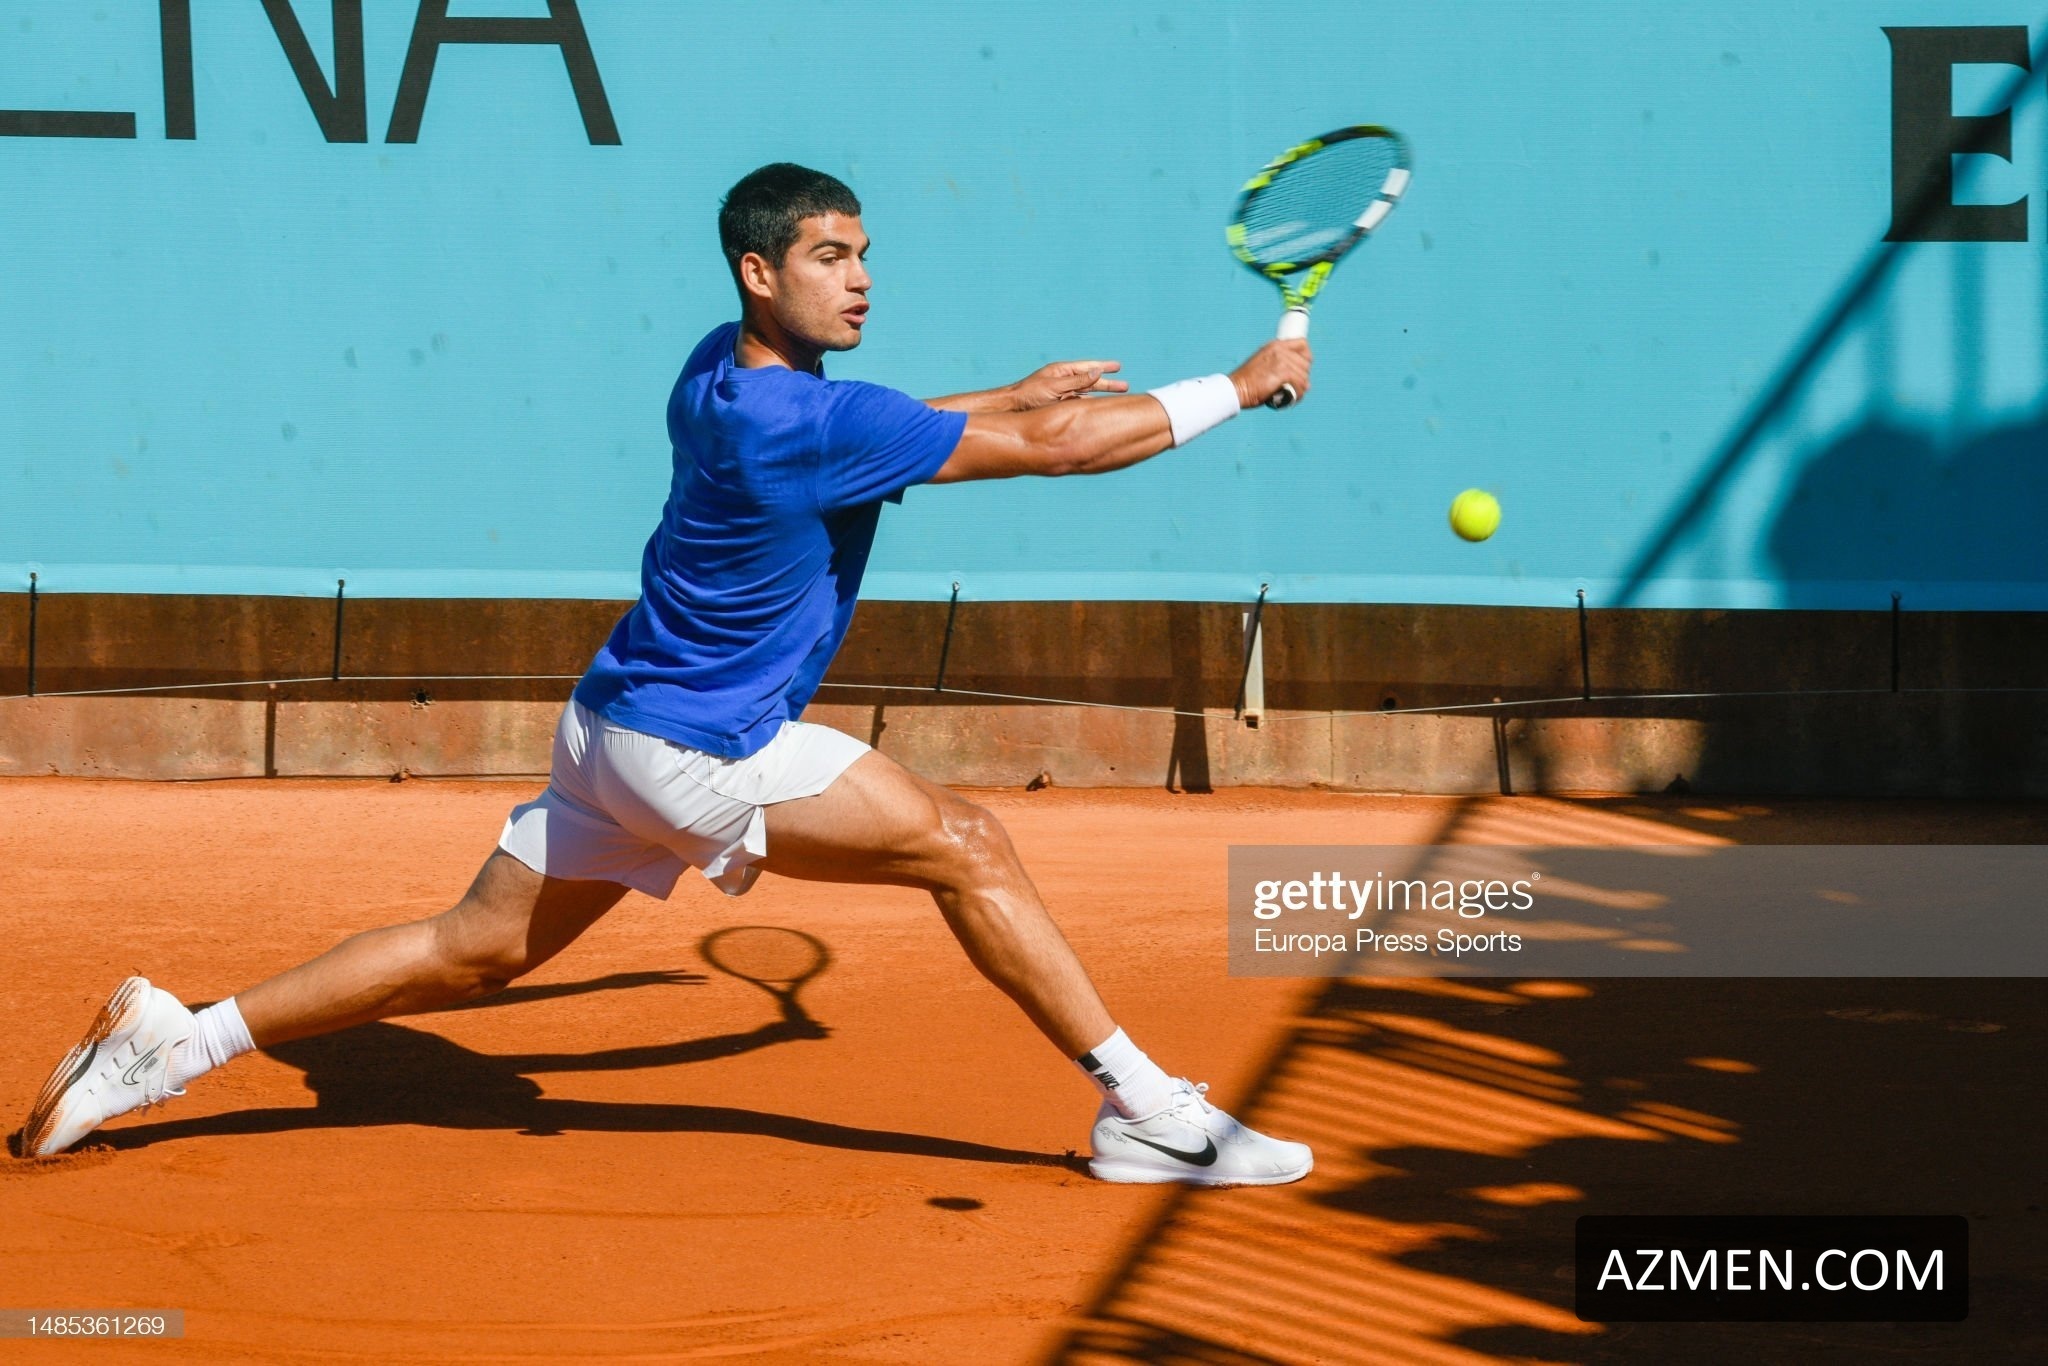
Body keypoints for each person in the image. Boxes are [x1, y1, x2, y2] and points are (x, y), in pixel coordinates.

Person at [21, 163, 1315, 1186]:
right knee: (968, 844)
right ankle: (1150, 1114)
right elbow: (1065, 448)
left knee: (471, 950)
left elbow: (914, 425)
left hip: (607, 728)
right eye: (829, 256)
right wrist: (1241, 384)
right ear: (761, 272)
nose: (862, 278)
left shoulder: (716, 369)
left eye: (864, 253)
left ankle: (178, 1040)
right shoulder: (819, 423)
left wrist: (1006, 392)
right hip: (701, 743)